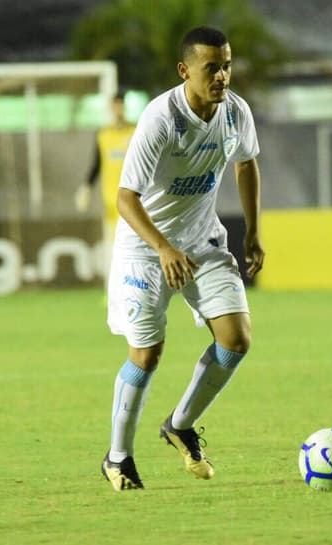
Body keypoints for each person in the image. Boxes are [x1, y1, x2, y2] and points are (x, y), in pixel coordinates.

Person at [100, 26, 264, 491]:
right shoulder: (160, 119)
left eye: (227, 65)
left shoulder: (235, 112)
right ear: (184, 70)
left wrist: (252, 232)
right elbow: (126, 199)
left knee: (236, 339)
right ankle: (118, 458)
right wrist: (163, 248)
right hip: (146, 249)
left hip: (202, 241)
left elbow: (246, 163)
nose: (222, 75)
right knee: (147, 355)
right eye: (211, 67)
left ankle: (180, 425)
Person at [75, 92, 136, 275]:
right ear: (111, 108)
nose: (118, 109)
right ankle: (114, 291)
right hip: (111, 201)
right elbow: (97, 164)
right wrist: (86, 187)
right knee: (114, 247)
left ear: (124, 107)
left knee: (134, 246)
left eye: (120, 105)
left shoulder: (135, 132)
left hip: (135, 200)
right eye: (114, 105)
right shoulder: (103, 134)